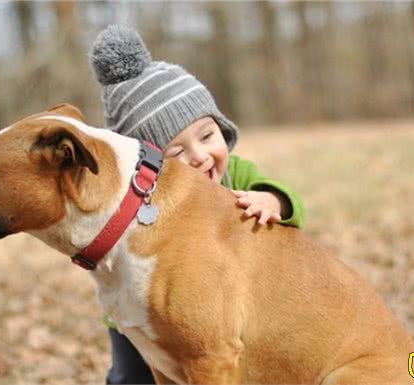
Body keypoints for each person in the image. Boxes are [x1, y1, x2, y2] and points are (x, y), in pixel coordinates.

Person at [89, 25, 305, 384]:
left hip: (221, 309)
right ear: (148, 168)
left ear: (222, 128)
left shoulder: (236, 175)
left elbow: (292, 204)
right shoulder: (142, 205)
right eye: (176, 152)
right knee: (131, 376)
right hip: (139, 315)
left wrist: (272, 201)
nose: (200, 156)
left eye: (207, 136)